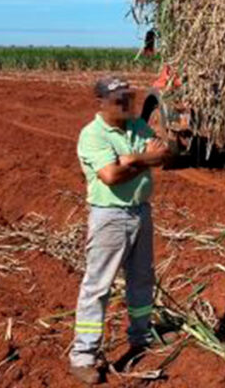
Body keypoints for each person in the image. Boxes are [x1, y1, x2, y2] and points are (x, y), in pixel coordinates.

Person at [70, 77, 170, 385]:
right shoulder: (93, 135)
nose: (127, 105)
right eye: (120, 100)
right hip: (110, 217)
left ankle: (141, 335)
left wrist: (134, 159)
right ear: (101, 102)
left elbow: (163, 152)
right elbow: (111, 175)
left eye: (130, 98)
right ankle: (83, 356)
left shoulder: (137, 126)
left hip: (141, 212)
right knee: (98, 286)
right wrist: (145, 159)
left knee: (142, 278)